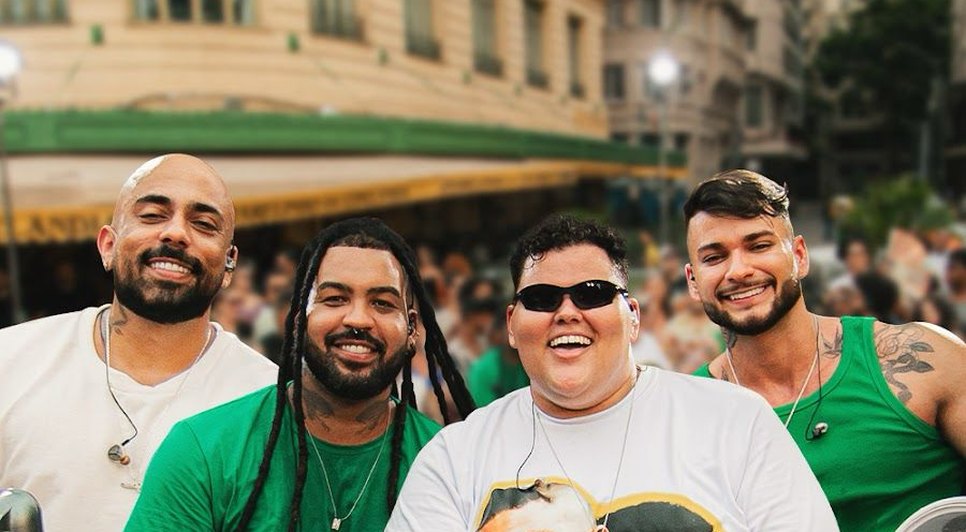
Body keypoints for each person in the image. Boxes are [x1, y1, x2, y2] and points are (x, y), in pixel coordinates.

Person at [388, 214, 836, 531]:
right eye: (542, 298)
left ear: (633, 317)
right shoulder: (455, 458)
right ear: (511, 324)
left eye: (593, 293)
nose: (567, 312)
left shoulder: (736, 422)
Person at [126, 217, 474, 531]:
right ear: (296, 320)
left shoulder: (451, 465)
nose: (357, 319)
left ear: (412, 329)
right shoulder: (204, 449)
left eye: (382, 303)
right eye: (334, 299)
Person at [0, 153, 278, 530]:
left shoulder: (271, 401)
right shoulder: (10, 361)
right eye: (152, 215)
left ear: (229, 264)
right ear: (108, 245)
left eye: (203, 224)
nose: (176, 233)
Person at [685, 169, 966, 531]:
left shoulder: (921, 357)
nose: (738, 270)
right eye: (714, 257)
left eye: (759, 246)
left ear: (799, 256)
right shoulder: (685, 416)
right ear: (693, 281)